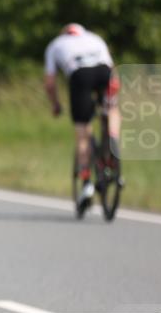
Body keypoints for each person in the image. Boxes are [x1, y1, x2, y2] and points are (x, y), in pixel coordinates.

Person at [44, 22, 120, 209]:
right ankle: (113, 139)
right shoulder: (95, 38)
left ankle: (86, 183)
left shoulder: (55, 44)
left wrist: (55, 105)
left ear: (65, 33)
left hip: (80, 75)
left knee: (83, 131)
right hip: (105, 72)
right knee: (112, 110)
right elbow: (114, 71)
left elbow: (50, 84)